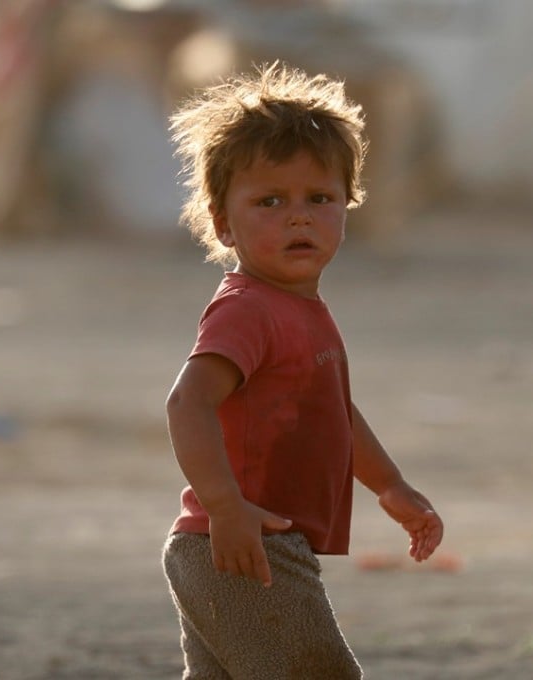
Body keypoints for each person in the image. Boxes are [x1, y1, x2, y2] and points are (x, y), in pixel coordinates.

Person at [162, 62, 444, 679]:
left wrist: (390, 485)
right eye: (270, 201)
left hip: (236, 544)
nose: (298, 216)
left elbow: (331, 410)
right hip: (245, 543)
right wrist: (226, 507)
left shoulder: (301, 310)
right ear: (222, 223)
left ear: (348, 206)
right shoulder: (247, 310)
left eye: (319, 198)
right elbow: (188, 403)